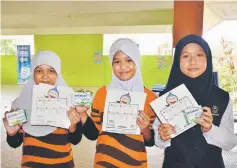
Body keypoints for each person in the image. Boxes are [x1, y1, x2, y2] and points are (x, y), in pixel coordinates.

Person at [153, 34, 237, 168]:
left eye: (199, 55)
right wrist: (162, 135)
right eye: (185, 56)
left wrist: (210, 129)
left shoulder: (222, 97)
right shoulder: (165, 97)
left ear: (208, 59)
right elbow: (158, 141)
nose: (192, 61)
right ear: (177, 61)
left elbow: (230, 142)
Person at [76, 38, 157, 168]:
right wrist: (83, 114)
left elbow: (150, 142)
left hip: (135, 163)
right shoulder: (102, 93)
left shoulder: (150, 98)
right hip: (104, 162)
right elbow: (93, 134)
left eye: (129, 60)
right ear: (111, 64)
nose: (123, 67)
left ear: (137, 61)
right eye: (117, 61)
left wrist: (146, 129)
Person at [3, 50, 86, 168]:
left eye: (51, 70)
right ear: (33, 74)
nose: (45, 75)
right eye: (39, 70)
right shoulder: (21, 104)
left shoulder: (70, 102)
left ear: (58, 74)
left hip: (63, 164)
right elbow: (14, 143)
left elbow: (75, 140)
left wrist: (73, 126)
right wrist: (12, 134)